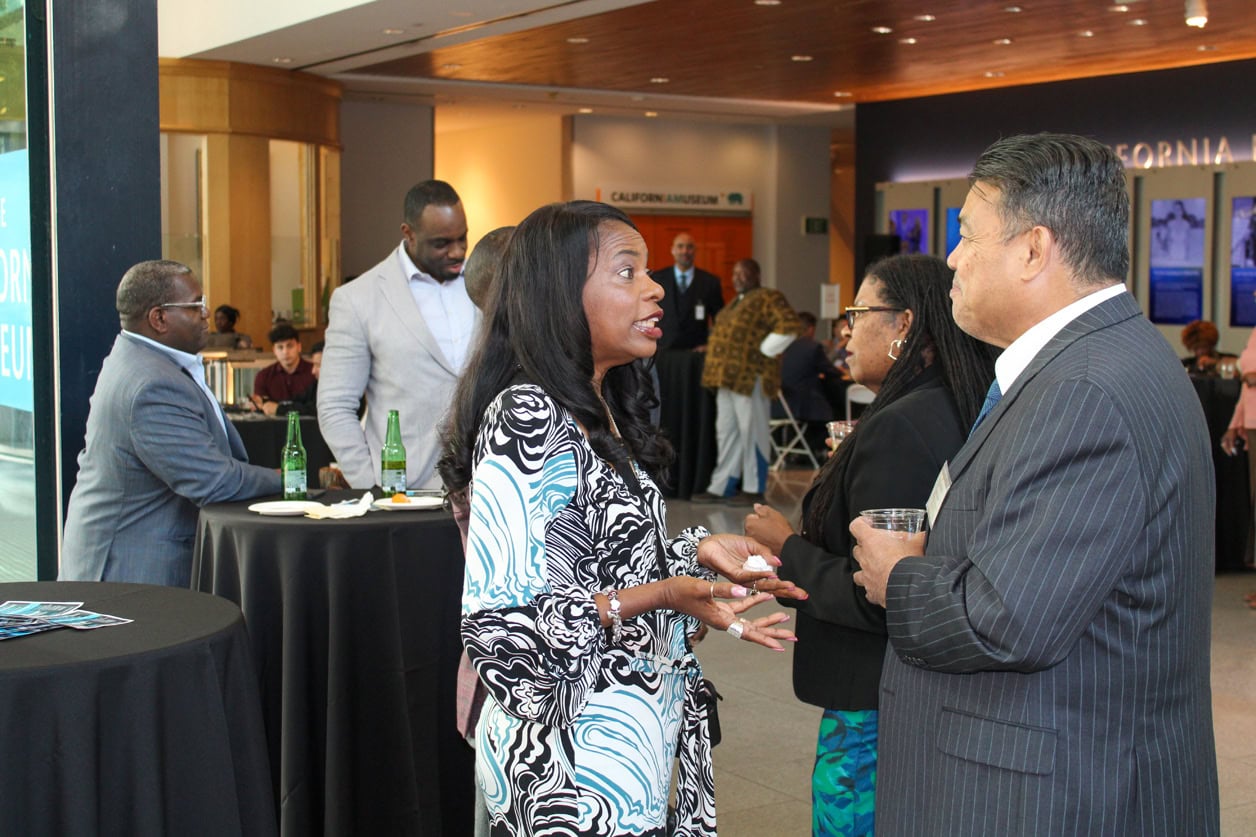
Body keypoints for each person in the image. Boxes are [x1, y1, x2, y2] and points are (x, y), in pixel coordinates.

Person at [851, 133, 1219, 834]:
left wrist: (897, 575)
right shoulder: (1099, 360)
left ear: (1032, 250)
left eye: (967, 235)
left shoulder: (1085, 389)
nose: (951, 258)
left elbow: (1006, 621)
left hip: (1049, 798)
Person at [439, 200, 805, 836]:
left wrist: (696, 554)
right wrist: (664, 594)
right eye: (627, 272)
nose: (654, 288)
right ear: (559, 294)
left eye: (648, 271)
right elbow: (504, 631)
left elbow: (602, 565)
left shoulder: (596, 404)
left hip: (627, 756)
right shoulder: (528, 416)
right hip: (566, 776)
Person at [744, 255, 996, 837]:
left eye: (858, 313)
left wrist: (786, 547)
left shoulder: (901, 426)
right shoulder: (948, 404)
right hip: (921, 690)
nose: (845, 331)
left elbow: (880, 591)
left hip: (873, 692)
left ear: (904, 324)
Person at [59, 260, 281, 587]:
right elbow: (213, 481)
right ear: (159, 318)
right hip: (132, 570)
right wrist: (286, 480)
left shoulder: (139, 358)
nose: (206, 313)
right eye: (196, 305)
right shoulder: (152, 384)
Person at [318, 179, 479, 489]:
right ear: (409, 233)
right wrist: (369, 483)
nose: (458, 251)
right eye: (442, 243)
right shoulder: (358, 299)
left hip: (488, 492)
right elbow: (335, 406)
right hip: (403, 494)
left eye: (463, 238)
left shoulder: (490, 283)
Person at [696, 258, 799, 503]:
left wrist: (763, 351)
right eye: (735, 274)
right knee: (726, 434)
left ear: (756, 275)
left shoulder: (768, 297)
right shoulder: (734, 303)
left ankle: (754, 488)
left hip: (751, 378)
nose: (737, 278)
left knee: (753, 433)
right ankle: (722, 485)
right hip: (726, 379)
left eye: (743, 273)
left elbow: (790, 325)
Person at [778, 311, 840, 453]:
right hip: (803, 405)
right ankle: (820, 450)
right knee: (834, 404)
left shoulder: (782, 346)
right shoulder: (812, 347)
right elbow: (830, 371)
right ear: (811, 329)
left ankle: (799, 453)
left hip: (778, 405)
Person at [655, 232, 725, 351]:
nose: (685, 251)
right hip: (663, 352)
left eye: (689, 247)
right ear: (672, 250)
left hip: (696, 352)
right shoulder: (657, 279)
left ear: (695, 251)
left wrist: (712, 345)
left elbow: (720, 320)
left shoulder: (710, 282)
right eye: (680, 246)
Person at [251, 321, 316, 414]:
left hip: (307, 423)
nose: (285, 352)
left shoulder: (314, 372)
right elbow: (260, 410)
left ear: (299, 347)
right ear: (274, 350)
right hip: (273, 423)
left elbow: (316, 410)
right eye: (280, 347)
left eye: (290, 346)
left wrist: (279, 409)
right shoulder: (264, 376)